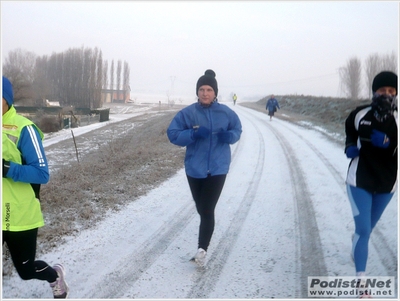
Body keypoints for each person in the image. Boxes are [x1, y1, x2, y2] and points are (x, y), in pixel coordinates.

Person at [2, 76, 69, 298]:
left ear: (6, 99)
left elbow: (42, 173)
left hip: (17, 214)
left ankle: (54, 276)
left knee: (26, 270)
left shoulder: (24, 129)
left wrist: (6, 168)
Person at [167, 70, 242, 266]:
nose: (205, 93)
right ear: (197, 92)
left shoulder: (226, 113)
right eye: (201, 89)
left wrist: (230, 136)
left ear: (215, 92)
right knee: (201, 208)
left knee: (207, 209)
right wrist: (193, 134)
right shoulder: (188, 113)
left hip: (218, 168)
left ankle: (202, 249)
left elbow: (237, 129)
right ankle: (203, 245)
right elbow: (173, 134)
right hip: (195, 168)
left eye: (209, 89)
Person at [344, 71, 397, 289]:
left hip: (387, 183)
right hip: (359, 179)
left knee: (367, 228)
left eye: (391, 91)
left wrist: (390, 142)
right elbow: (350, 133)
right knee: (364, 229)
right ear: (374, 91)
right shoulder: (359, 114)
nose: (386, 94)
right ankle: (362, 284)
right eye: (382, 90)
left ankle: (356, 245)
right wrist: (349, 146)